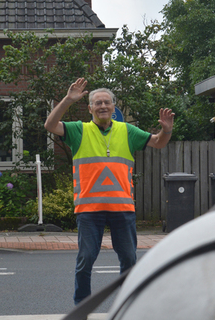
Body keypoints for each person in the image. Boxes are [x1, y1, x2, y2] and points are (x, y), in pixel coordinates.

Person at [44, 77, 174, 305]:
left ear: (114, 107)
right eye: (98, 103)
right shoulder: (79, 130)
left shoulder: (127, 131)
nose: (103, 106)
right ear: (90, 108)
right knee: (86, 259)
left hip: (122, 208)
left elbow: (158, 143)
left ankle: (128, 305)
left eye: (107, 102)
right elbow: (50, 125)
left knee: (129, 259)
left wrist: (167, 131)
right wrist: (67, 99)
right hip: (89, 208)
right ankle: (82, 305)